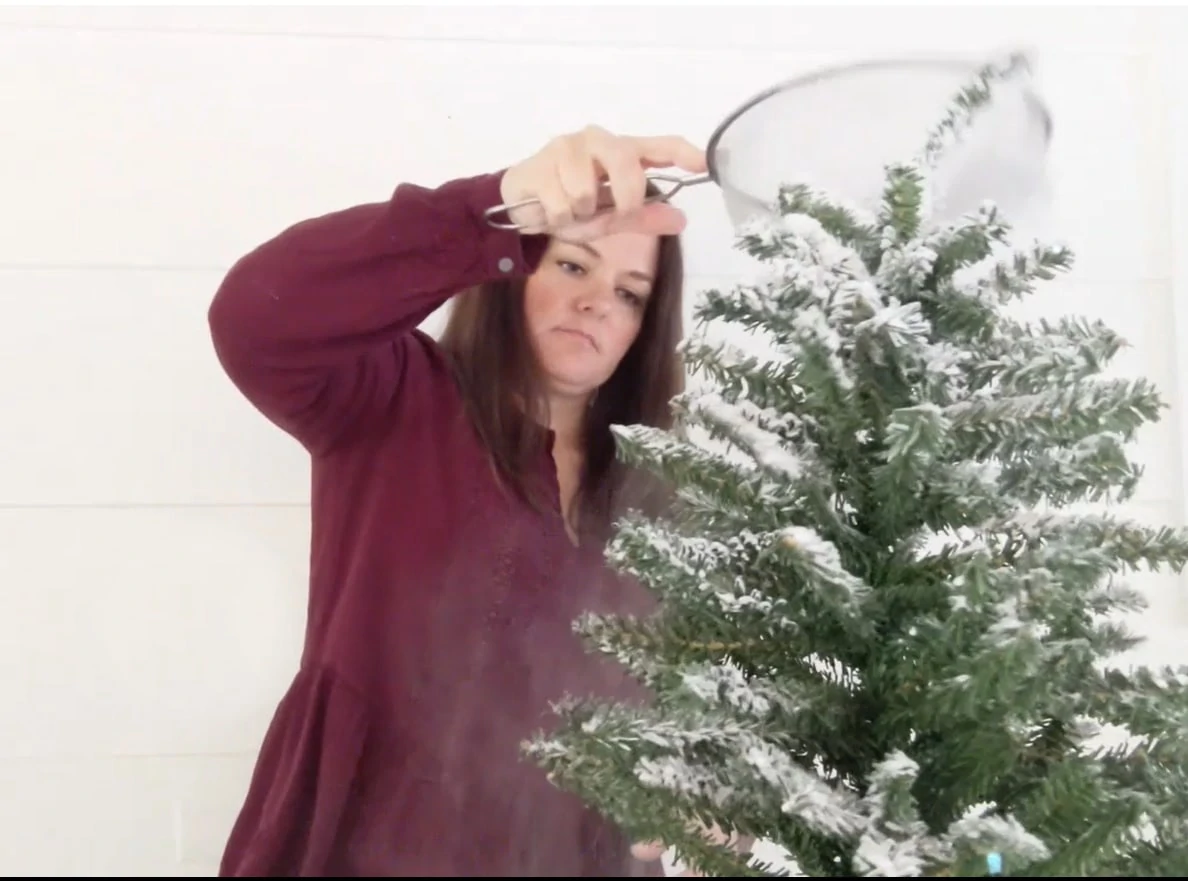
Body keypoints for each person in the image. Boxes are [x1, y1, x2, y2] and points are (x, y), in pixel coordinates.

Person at [207, 125, 711, 876]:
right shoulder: (391, 398)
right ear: (512, 268)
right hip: (366, 846)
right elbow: (257, 315)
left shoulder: (656, 486)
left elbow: (681, 684)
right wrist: (497, 205)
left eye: (629, 293)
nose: (596, 303)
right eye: (572, 262)